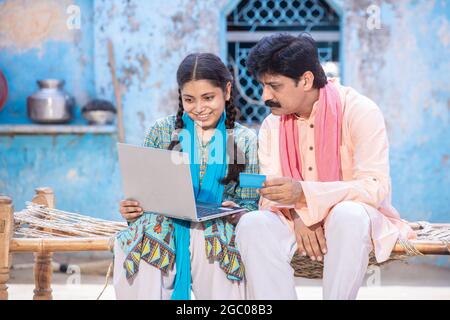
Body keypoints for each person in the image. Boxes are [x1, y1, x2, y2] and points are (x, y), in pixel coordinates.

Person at [235, 33, 415, 300]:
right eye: (263, 86)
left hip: (352, 222)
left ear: (306, 80)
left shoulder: (359, 111)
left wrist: (304, 195)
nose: (264, 96)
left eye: (274, 86)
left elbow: (375, 187)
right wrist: (300, 215)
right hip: (293, 220)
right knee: (252, 225)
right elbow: (271, 189)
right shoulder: (272, 125)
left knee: (347, 215)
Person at [113, 53, 259, 300]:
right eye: (189, 99)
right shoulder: (161, 131)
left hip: (216, 228)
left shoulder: (245, 140)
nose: (199, 109)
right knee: (142, 237)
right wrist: (131, 208)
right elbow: (143, 191)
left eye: (208, 98)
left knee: (209, 238)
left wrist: (238, 212)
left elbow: (251, 202)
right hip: (164, 224)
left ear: (226, 90)